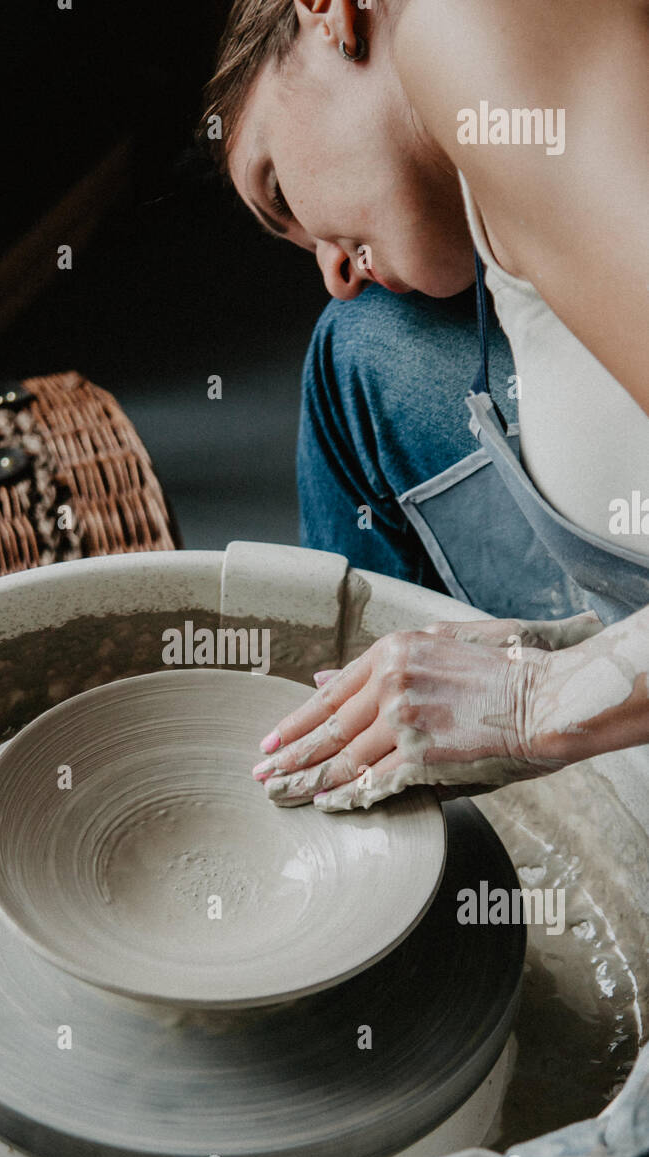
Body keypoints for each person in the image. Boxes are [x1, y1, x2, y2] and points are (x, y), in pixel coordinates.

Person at [200, 0, 649, 811]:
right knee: (362, 346)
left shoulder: (464, 25)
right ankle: (341, 745)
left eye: (280, 195)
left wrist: (539, 699)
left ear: (327, 12)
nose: (331, 269)